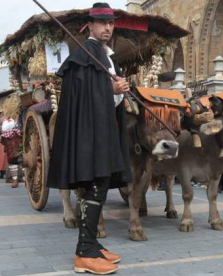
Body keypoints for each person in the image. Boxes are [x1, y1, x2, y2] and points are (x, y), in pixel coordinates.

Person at [47, 3, 132, 274]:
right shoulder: (84, 54)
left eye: (110, 23)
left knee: (102, 182)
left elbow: (105, 92)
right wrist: (113, 90)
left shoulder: (106, 56)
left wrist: (118, 90)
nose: (107, 27)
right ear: (91, 26)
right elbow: (87, 96)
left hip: (103, 130)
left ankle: (92, 244)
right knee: (97, 183)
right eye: (101, 23)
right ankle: (84, 252)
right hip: (89, 133)